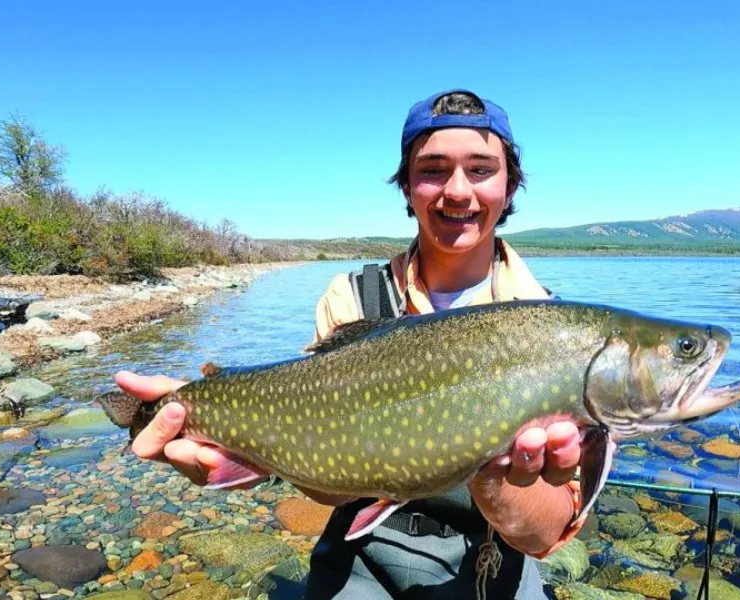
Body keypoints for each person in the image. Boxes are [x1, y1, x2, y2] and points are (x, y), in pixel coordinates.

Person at [114, 89, 589, 599]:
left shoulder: (559, 336)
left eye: (480, 169)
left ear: (509, 185)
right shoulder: (355, 297)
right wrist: (249, 451)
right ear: (406, 187)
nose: (457, 191)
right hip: (364, 546)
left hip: (492, 552)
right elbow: (326, 484)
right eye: (432, 169)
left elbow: (544, 534)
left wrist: (494, 474)